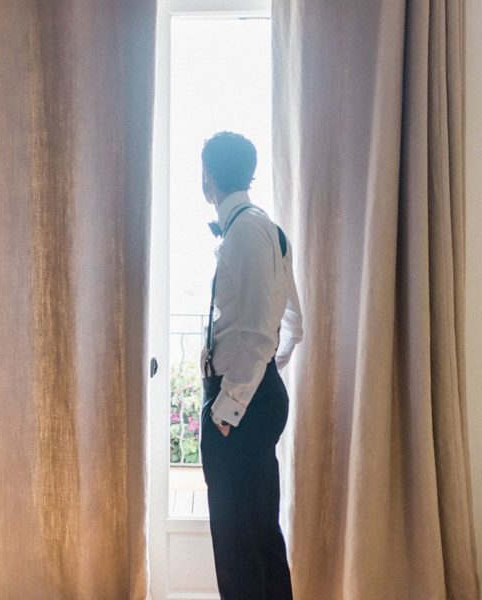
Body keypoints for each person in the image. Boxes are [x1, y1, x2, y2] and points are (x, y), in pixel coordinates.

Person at [199, 131, 303, 600]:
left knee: (238, 539)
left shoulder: (244, 231)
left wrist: (231, 404)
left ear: (208, 178)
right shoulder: (266, 228)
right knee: (258, 531)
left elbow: (256, 331)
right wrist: (265, 374)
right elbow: (292, 324)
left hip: (236, 403)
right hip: (254, 393)